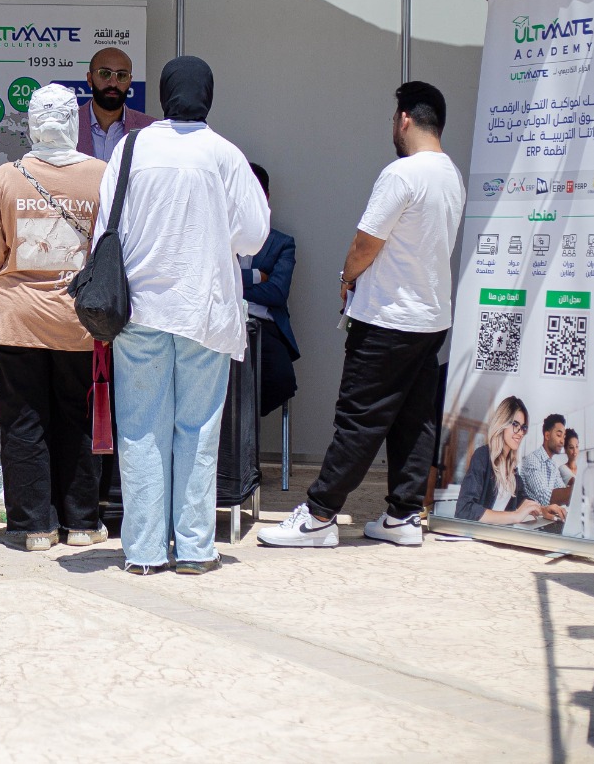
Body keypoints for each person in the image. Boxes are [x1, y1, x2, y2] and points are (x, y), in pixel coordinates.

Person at [260, 81, 466, 550]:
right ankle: (403, 516)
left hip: (387, 318)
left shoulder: (402, 174)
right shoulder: (451, 175)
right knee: (414, 418)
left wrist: (346, 277)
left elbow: (365, 243)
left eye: (394, 118)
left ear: (405, 119)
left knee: (359, 417)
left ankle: (319, 516)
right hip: (431, 317)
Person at [93, 57, 268, 574]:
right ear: (207, 95)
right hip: (203, 310)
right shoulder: (225, 154)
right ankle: (193, 548)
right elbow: (253, 236)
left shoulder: (131, 148)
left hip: (139, 311)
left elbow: (107, 228)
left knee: (140, 429)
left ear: (164, 95)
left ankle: (145, 552)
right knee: (198, 430)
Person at [0, 84, 108, 551]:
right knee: (78, 419)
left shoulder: (7, 177)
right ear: (74, 121)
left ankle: (33, 527)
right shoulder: (102, 176)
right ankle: (82, 523)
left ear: (32, 124)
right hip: (79, 321)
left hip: (16, 318)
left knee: (23, 422)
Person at [242, 163, 300, 414]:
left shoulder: (282, 243)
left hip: (264, 327)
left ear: (265, 198)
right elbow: (208, 282)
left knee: (281, 380)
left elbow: (276, 293)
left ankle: (244, 421)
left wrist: (230, 285)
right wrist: (255, 276)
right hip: (223, 320)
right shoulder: (217, 238)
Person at [455, 397, 565, 525]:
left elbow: (522, 499)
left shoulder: (512, 468)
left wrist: (542, 510)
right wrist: (514, 516)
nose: (520, 433)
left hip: (499, 533)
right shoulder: (482, 456)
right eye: (515, 425)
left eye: (523, 427)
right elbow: (464, 510)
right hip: (478, 534)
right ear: (502, 423)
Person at [77, 47, 155, 161]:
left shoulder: (150, 129)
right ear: (89, 79)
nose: (113, 83)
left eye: (122, 75)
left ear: (129, 81)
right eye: (104, 74)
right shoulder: (65, 126)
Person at [519, 412, 573, 507]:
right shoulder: (532, 460)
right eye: (559, 435)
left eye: (564, 437)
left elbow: (561, 488)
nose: (562, 441)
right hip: (530, 515)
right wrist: (577, 490)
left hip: (545, 515)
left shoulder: (553, 465)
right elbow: (544, 497)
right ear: (547, 435)